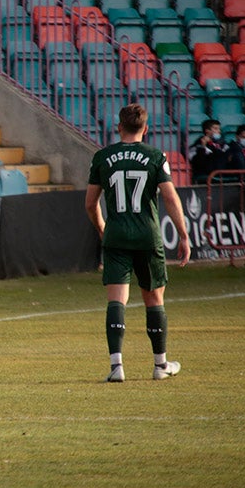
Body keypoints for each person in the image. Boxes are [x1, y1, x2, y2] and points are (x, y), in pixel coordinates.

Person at [85, 104, 191, 383]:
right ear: (145, 129)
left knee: (116, 299)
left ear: (118, 127)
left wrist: (102, 229)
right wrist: (183, 234)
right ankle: (160, 365)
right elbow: (169, 197)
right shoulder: (156, 156)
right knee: (154, 298)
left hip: (116, 235)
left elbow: (90, 203)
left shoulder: (102, 157)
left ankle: (116, 366)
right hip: (147, 235)